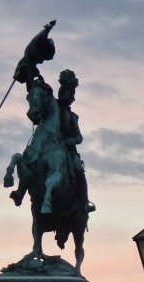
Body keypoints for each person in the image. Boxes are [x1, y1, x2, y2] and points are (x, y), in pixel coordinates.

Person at [57, 69, 94, 213]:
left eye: (72, 94)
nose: (72, 98)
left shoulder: (73, 117)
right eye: (70, 93)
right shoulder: (53, 110)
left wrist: (69, 141)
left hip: (68, 150)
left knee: (79, 169)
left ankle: (84, 201)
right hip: (50, 145)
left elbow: (79, 138)